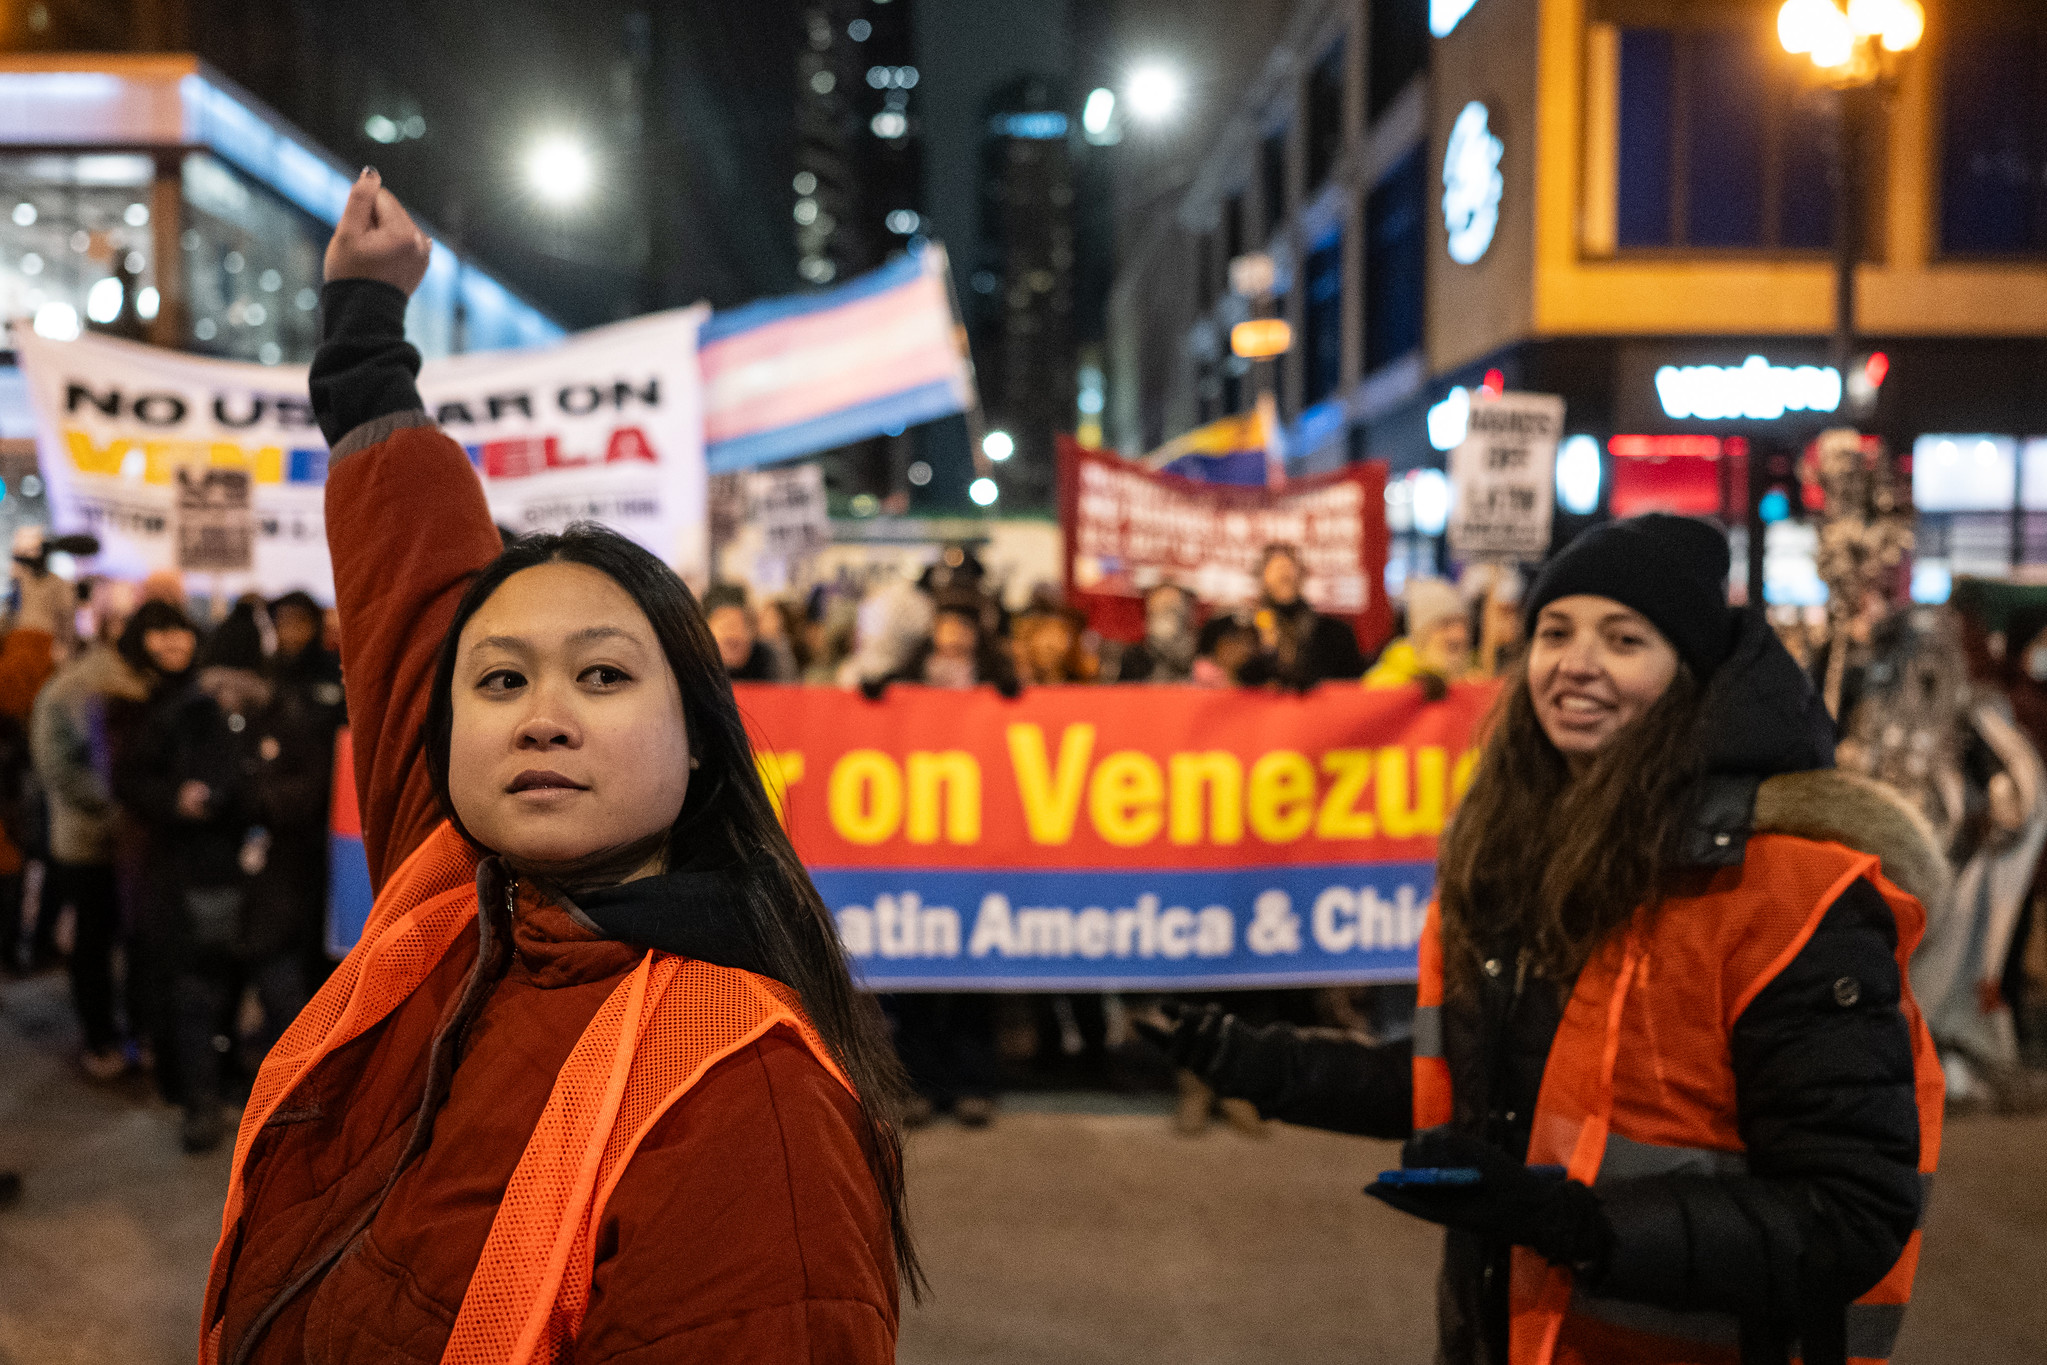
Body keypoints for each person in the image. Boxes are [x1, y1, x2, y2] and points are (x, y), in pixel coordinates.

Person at [200, 171, 910, 1362]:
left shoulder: (749, 1102)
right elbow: (410, 582)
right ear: (444, 734)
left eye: (601, 676)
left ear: (698, 742)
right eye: (500, 681)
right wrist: (365, 327)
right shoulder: (447, 887)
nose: (540, 718)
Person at [1144, 514, 1945, 1365]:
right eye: (1553, 631)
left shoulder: (1786, 890)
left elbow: (1851, 1211)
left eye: (1624, 638)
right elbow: (1476, 1078)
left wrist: (1580, 1225)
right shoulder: (1516, 851)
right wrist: (1262, 1064)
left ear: (1691, 674)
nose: (1575, 662)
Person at [120, 603, 272, 1152]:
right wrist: (177, 800)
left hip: (250, 874)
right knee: (193, 989)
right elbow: (132, 779)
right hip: (189, 873)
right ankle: (198, 1099)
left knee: (231, 982)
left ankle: (222, 1075)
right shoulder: (176, 712)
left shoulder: (264, 718)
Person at [29, 597, 150, 1078]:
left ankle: (119, 1031)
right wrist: (118, 801)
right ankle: (101, 1036)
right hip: (95, 839)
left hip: (120, 837)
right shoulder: (83, 685)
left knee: (117, 937)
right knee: (97, 939)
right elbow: (57, 764)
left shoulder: (139, 680)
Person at [1249, 542, 1366, 689]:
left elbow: (1351, 691)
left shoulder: (1337, 635)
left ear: (1303, 575)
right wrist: (1267, 649)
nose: (1284, 572)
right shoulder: (1243, 634)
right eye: (1274, 568)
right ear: (1261, 577)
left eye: (1290, 566)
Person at [702, 582, 797, 682]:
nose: (734, 634)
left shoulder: (769, 659)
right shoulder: (695, 666)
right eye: (726, 626)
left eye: (742, 625)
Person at [1110, 582, 1200, 684]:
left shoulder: (1193, 658)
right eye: (1158, 612)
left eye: (1170, 611)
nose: (1163, 619)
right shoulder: (1134, 657)